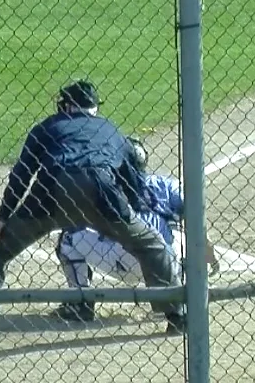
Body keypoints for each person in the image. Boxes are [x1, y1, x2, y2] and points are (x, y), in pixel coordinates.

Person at [0, 79, 187, 339]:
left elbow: (21, 174)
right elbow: (133, 184)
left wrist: (2, 219)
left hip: (51, 191)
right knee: (151, 244)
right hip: (101, 193)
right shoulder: (112, 130)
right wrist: (127, 215)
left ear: (69, 105)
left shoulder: (48, 126)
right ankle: (176, 315)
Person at [52, 136, 220, 322]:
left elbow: (78, 220)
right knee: (178, 230)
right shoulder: (167, 185)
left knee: (68, 237)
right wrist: (208, 253)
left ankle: (81, 304)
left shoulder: (103, 187)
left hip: (120, 262)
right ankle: (179, 302)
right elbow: (195, 217)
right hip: (165, 264)